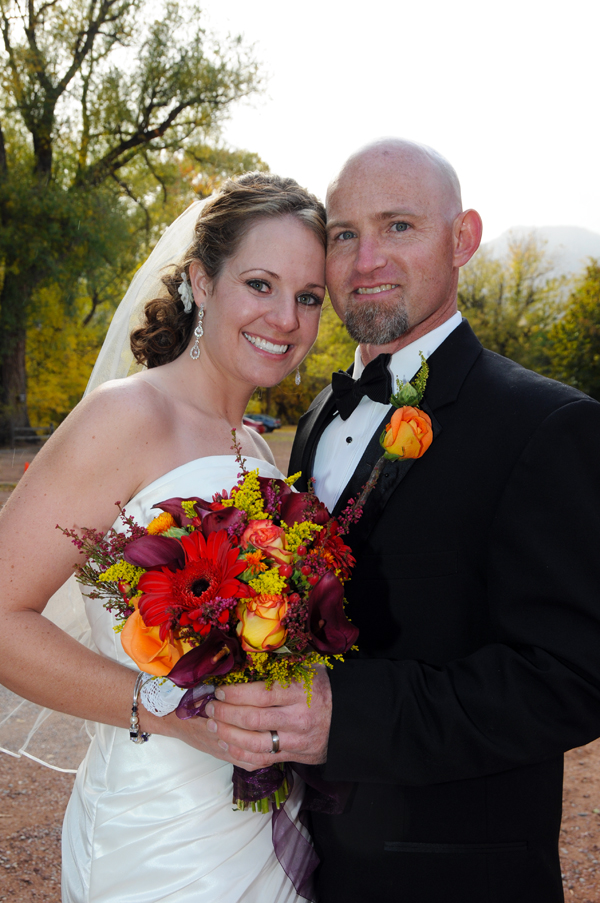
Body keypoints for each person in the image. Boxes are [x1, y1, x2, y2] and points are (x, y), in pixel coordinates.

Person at [205, 140, 600, 903]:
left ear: (463, 239)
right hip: (294, 863)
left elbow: (574, 677)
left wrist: (345, 716)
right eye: (345, 234)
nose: (366, 260)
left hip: (453, 876)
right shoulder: (321, 412)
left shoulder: (547, 426)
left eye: (398, 226)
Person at [0, 172, 327, 902]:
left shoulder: (257, 447)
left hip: (262, 816)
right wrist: (171, 713)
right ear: (201, 283)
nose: (285, 318)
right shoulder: (126, 417)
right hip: (161, 836)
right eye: (260, 284)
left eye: (309, 297)